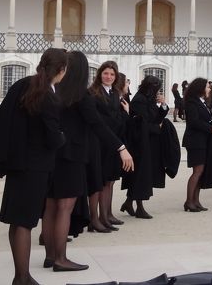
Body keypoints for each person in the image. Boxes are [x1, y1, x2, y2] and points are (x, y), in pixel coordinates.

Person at [0, 48, 67, 285]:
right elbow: (52, 138)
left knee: (16, 221)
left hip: (17, 162)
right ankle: (22, 277)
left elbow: (4, 120)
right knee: (25, 223)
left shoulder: (23, 85)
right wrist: (62, 137)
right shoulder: (49, 96)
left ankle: (21, 275)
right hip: (36, 167)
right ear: (61, 70)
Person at [43, 52, 133, 272]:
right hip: (72, 156)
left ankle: (50, 255)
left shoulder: (54, 90)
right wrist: (121, 148)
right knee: (65, 207)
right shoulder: (81, 95)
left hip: (52, 154)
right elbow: (97, 125)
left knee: (50, 206)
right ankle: (61, 258)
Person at [121, 75, 169, 218]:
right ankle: (139, 207)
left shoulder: (148, 99)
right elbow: (141, 124)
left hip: (148, 142)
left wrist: (164, 105)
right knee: (140, 175)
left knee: (142, 174)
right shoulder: (139, 100)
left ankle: (129, 203)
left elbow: (155, 118)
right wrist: (157, 128)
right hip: (139, 144)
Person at [88, 60, 128, 231]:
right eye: (106, 73)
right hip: (98, 142)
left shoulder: (115, 93)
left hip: (112, 142)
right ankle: (94, 219)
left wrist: (126, 113)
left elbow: (117, 119)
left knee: (109, 181)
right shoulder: (92, 92)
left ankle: (106, 215)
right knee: (98, 181)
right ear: (100, 74)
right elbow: (97, 121)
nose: (109, 77)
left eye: (112, 74)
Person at [182, 78, 212, 211]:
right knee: (197, 171)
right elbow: (193, 121)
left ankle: (196, 200)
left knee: (201, 171)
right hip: (195, 141)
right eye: (207, 87)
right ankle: (188, 201)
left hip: (202, 140)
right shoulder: (192, 102)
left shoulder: (201, 102)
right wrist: (211, 129)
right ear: (200, 88)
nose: (209, 89)